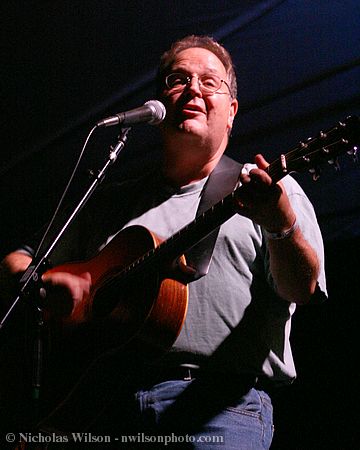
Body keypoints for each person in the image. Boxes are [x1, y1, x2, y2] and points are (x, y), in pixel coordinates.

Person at [0, 35, 326, 449]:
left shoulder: (272, 189)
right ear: (158, 107)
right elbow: (22, 259)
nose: (193, 89)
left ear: (232, 113)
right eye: (178, 79)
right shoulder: (109, 201)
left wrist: (280, 223)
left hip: (216, 410)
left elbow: (302, 288)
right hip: (99, 406)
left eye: (211, 82)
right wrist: (42, 286)